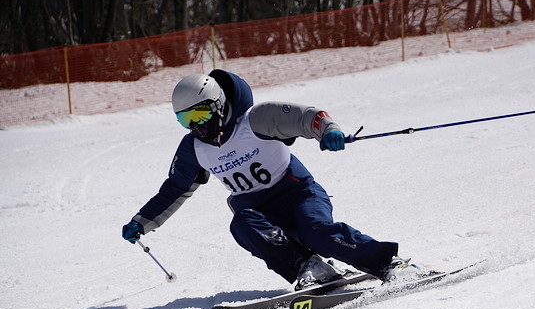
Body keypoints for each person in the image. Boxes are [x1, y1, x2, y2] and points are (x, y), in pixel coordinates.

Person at [122, 70, 426, 290]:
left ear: (217, 105)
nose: (195, 127)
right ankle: (311, 268)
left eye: (198, 116)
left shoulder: (257, 119)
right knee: (241, 223)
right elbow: (175, 188)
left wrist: (329, 130)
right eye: (185, 121)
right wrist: (143, 221)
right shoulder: (194, 149)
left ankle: (390, 263)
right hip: (262, 214)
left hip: (300, 196)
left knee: (316, 231)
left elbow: (309, 116)